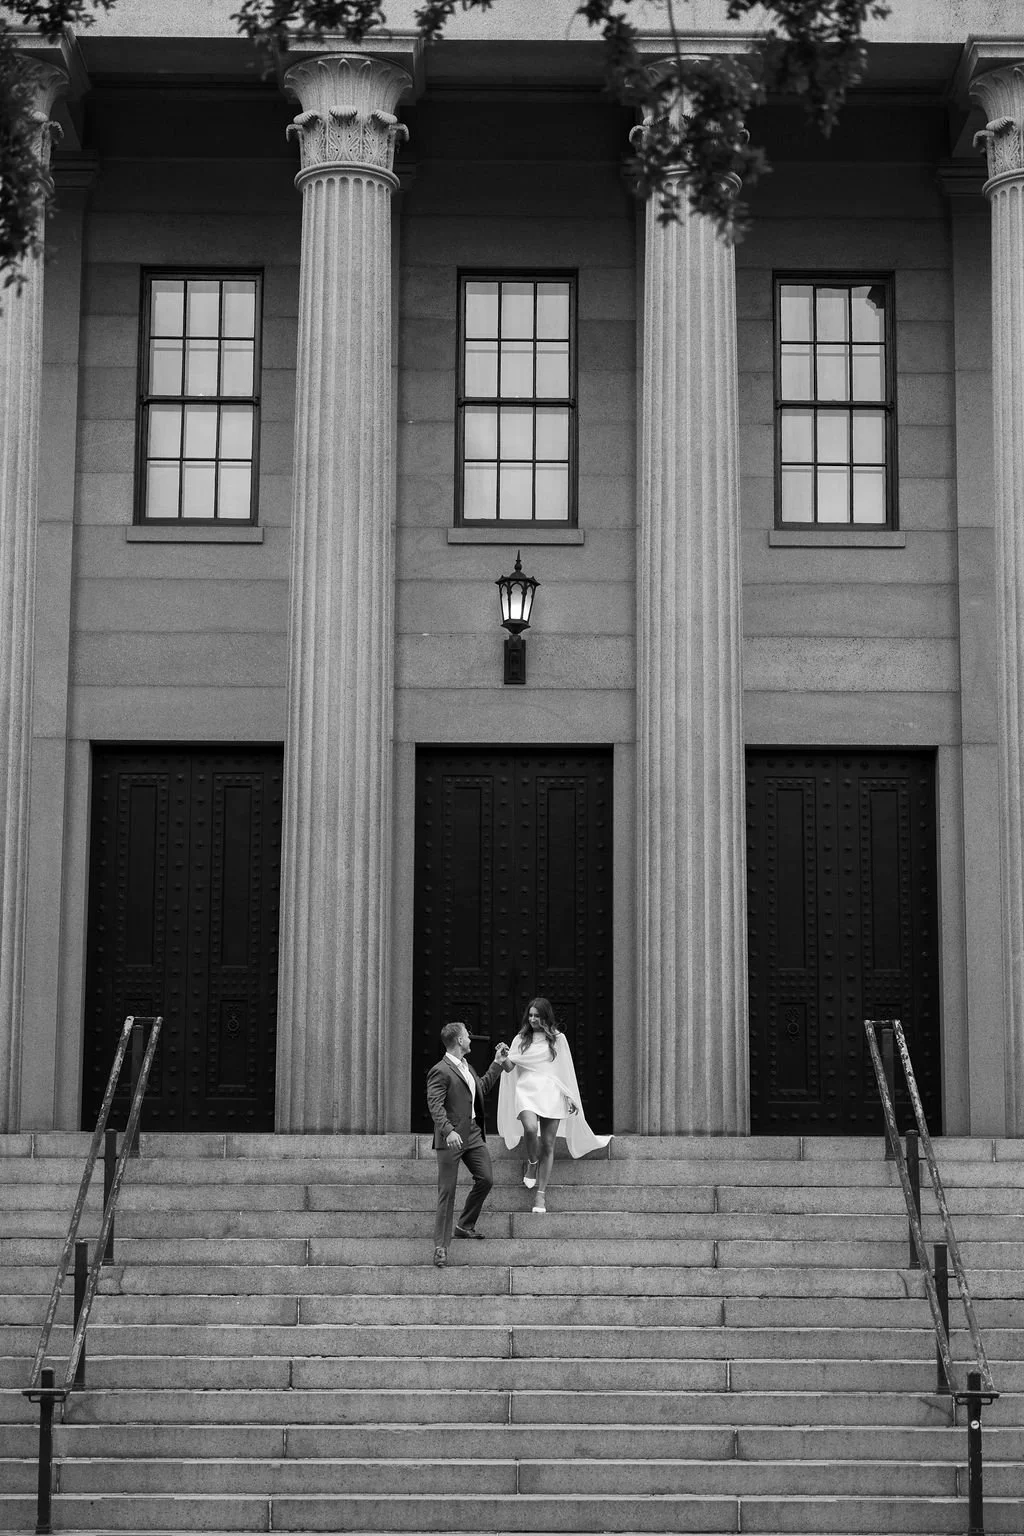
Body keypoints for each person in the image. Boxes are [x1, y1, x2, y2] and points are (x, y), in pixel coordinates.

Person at [496, 997, 610, 1213]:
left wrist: (570, 1096)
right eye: (530, 1015)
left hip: (552, 1093)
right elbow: (511, 1068)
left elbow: (564, 1070)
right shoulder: (520, 1038)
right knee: (530, 1128)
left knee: (548, 1144)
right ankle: (532, 1162)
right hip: (526, 1090)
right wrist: (503, 1058)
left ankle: (541, 1195)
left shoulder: (559, 1039)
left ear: (546, 1017)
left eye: (537, 1016)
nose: (532, 1019)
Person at [426, 1021, 513, 1268]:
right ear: (459, 1040)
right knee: (447, 1191)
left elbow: (481, 1089)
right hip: (451, 1138)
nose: (470, 1039)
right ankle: (441, 1247)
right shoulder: (440, 1070)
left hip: (473, 1134)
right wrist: (448, 1131)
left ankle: (464, 1225)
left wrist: (497, 1063)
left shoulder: (467, 1066)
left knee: (486, 1179)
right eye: (467, 1035)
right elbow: (435, 1105)